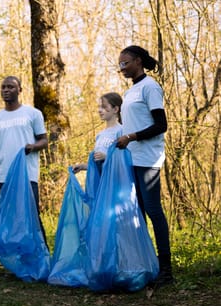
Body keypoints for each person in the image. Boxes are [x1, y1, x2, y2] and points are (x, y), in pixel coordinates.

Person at [115, 45, 174, 288]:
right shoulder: (131, 92)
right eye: (120, 64)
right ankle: (147, 265)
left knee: (152, 209)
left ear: (138, 61)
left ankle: (167, 271)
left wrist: (131, 137)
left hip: (148, 158)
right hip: (132, 158)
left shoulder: (150, 87)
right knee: (137, 213)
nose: (122, 68)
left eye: (125, 63)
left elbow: (161, 125)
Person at [0, 76, 49, 247]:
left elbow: (44, 140)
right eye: (3, 87)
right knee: (12, 221)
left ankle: (42, 259)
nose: (6, 90)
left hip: (27, 175)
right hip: (5, 177)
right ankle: (18, 263)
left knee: (31, 217)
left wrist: (33, 146)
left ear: (20, 90)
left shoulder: (33, 114)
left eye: (11, 87)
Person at [73, 92, 123, 175]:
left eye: (104, 107)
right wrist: (82, 166)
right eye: (99, 107)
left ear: (115, 109)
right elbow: (97, 166)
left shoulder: (121, 131)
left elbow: (125, 161)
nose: (99, 110)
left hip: (115, 181)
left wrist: (106, 157)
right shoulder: (100, 135)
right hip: (101, 182)